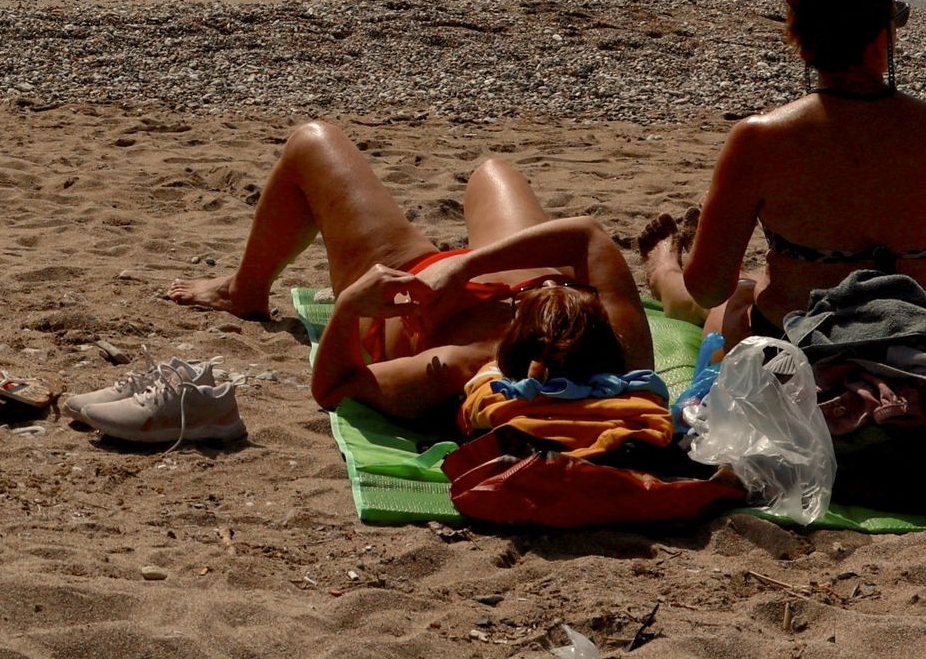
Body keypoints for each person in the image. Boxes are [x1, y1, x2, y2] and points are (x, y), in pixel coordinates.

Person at [159, 121, 655, 435]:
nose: (517, 298)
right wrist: (468, 265)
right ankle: (513, 267)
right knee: (492, 172)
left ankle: (243, 291)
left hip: (406, 289)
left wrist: (353, 303)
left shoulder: (453, 366)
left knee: (312, 143)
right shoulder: (625, 350)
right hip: (472, 278)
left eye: (520, 305)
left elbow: (333, 389)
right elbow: (588, 235)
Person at [642, 0, 926, 339]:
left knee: (729, 300)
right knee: (745, 288)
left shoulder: (760, 138)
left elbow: (709, 287)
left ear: (803, 39)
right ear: (884, 34)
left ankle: (664, 272)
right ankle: (669, 271)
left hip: (798, 346)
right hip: (919, 341)